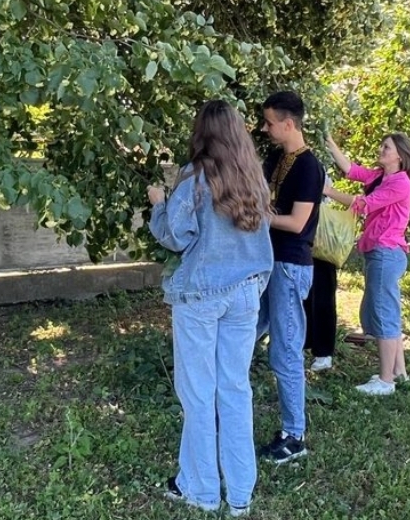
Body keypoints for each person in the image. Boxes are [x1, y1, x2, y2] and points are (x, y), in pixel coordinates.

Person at [147, 100, 274, 516]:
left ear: (201, 131)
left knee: (199, 393)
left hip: (203, 296)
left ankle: (200, 490)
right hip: (245, 293)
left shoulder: (196, 179)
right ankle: (239, 495)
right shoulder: (255, 177)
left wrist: (158, 203)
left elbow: (175, 236)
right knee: (235, 389)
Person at [324, 132, 410, 396]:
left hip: (386, 253)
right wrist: (330, 144)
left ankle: (385, 381)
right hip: (379, 253)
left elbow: (363, 205)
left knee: (383, 314)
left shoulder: (401, 183)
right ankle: (399, 372)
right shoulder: (380, 177)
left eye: (386, 147)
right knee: (384, 311)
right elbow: (351, 170)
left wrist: (326, 190)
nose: (381, 150)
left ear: (400, 155)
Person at [256, 91, 324, 463]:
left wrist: (259, 217)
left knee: (285, 350)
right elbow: (262, 195)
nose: (265, 129)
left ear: (288, 123)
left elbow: (297, 223)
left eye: (269, 122)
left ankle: (294, 436)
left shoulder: (309, 167)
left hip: (290, 264)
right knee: (246, 330)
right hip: (268, 261)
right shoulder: (275, 158)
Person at [303, 254, 337, 372]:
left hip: (322, 254)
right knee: (303, 298)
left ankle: (323, 352)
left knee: (323, 297)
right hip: (303, 249)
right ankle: (303, 344)